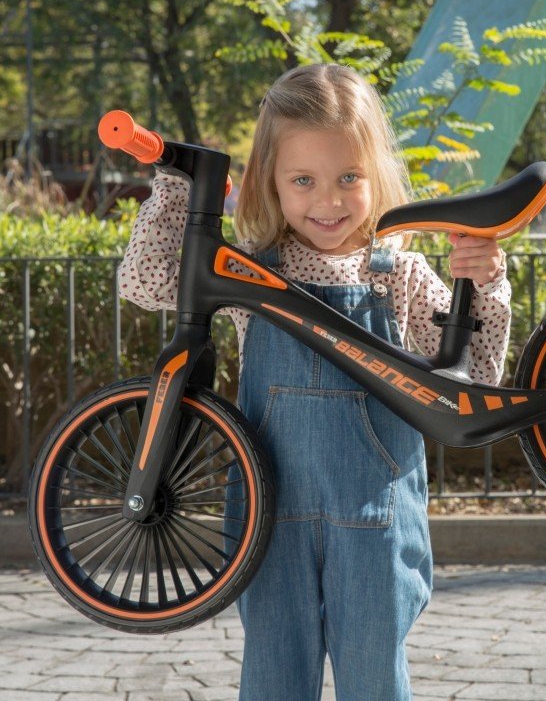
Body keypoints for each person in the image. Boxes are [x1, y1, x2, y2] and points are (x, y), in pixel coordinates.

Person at [118, 63, 512, 700]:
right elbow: (146, 281)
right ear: (270, 181)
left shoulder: (400, 275)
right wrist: (173, 188)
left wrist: (485, 281)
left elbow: (479, 375)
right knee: (273, 682)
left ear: (376, 173)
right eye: (303, 180)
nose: (328, 202)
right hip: (269, 522)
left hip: (378, 523)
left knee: (375, 684)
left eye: (348, 178)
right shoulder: (249, 270)